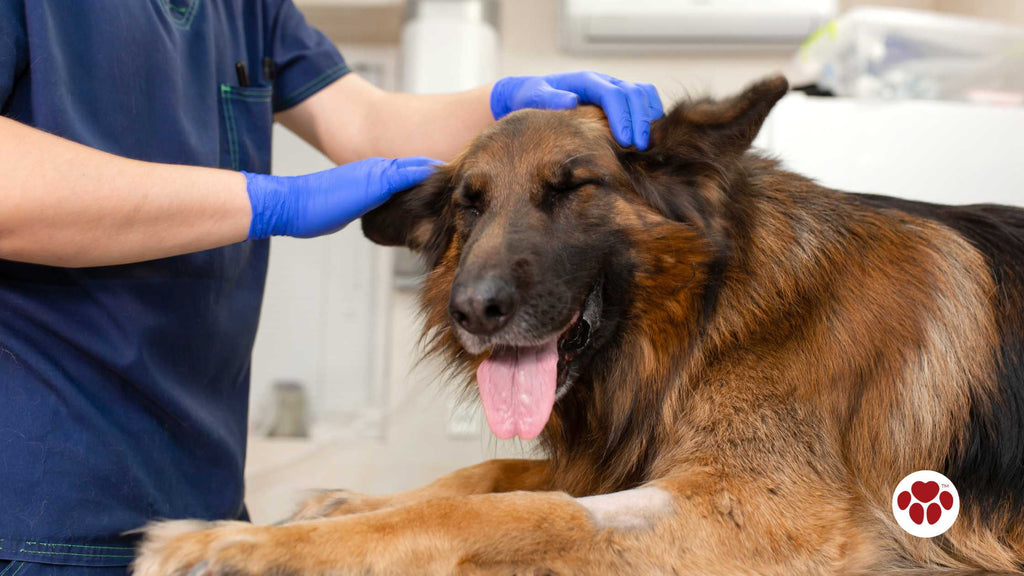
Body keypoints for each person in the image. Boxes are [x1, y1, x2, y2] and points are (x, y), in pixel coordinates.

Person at [0, 2, 663, 576]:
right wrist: (271, 201)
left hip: (199, 487)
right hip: (41, 495)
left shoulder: (249, 9)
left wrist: (500, 104)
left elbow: (363, 121)